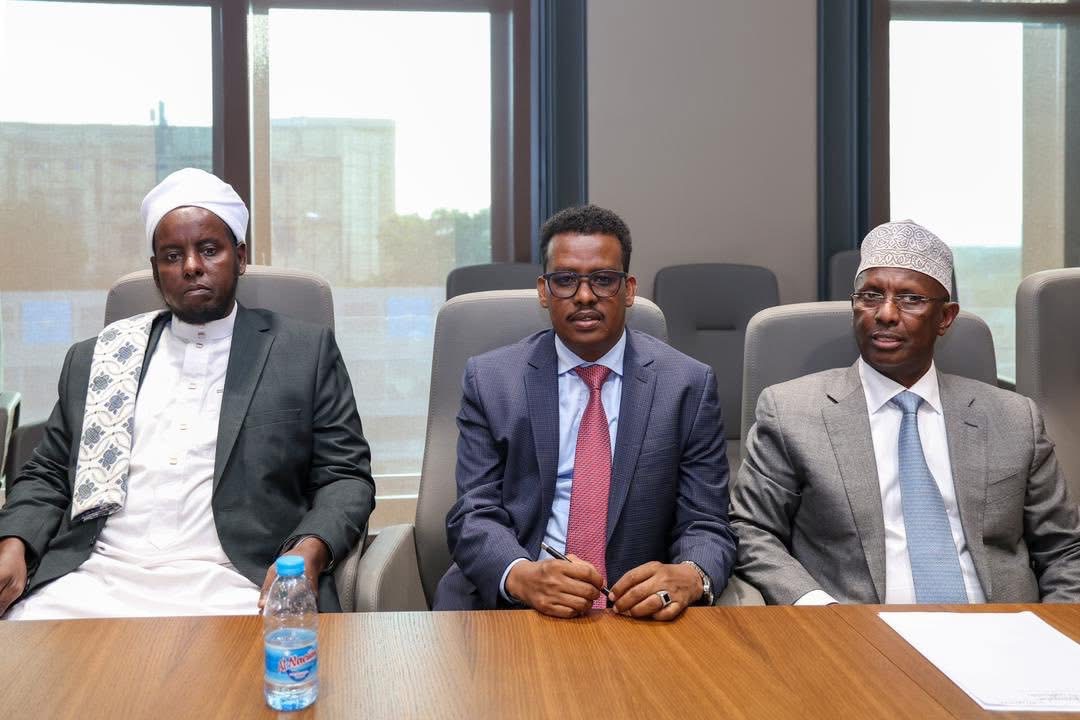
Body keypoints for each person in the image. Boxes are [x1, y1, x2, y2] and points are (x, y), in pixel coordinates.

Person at [0, 168, 374, 619]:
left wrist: (309, 549)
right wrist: (14, 543)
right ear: (156, 271)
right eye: (172, 255)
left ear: (240, 257)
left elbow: (345, 476)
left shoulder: (302, 352)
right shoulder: (100, 358)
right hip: (92, 582)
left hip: (237, 584)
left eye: (209, 250)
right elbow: (48, 473)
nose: (192, 266)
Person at [730, 220, 1080, 605]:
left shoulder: (1013, 418)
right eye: (870, 296)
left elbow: (1065, 550)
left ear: (945, 318)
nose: (885, 314)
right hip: (854, 628)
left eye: (911, 299)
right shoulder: (792, 411)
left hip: (1002, 627)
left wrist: (1051, 628)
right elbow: (751, 530)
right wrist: (819, 609)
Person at [432, 205, 736, 619]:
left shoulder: (687, 385)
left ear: (628, 290)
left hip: (633, 611)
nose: (585, 295)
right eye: (565, 280)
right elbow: (473, 512)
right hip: (511, 606)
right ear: (544, 291)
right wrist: (521, 575)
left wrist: (691, 573)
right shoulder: (491, 380)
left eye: (603, 279)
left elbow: (707, 523)